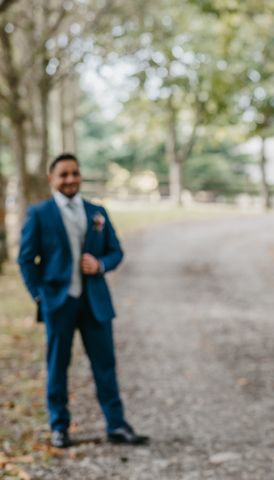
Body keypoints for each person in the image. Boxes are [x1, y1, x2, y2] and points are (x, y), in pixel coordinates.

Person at [18, 153, 148, 449]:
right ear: (51, 179)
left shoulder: (96, 212)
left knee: (105, 365)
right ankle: (59, 427)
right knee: (57, 366)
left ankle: (116, 425)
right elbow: (26, 259)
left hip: (95, 302)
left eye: (75, 173)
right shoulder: (40, 214)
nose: (70, 179)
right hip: (58, 303)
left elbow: (116, 251)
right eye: (63, 174)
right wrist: (39, 295)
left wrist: (100, 265)